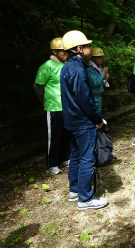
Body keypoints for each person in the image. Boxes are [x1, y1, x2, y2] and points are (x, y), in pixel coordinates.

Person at [60, 30, 108, 210]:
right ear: (79, 48)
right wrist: (98, 118)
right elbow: (85, 99)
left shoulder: (66, 67)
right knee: (87, 158)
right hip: (82, 121)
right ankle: (85, 199)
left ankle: (74, 191)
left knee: (76, 155)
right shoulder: (79, 69)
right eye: (87, 46)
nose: (89, 48)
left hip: (71, 120)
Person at [34, 37, 70, 175]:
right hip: (53, 108)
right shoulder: (47, 66)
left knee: (66, 135)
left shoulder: (66, 65)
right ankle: (51, 164)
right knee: (53, 138)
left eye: (67, 50)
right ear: (54, 51)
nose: (65, 53)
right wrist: (46, 101)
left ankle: (64, 158)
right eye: (62, 51)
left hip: (66, 107)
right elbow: (38, 86)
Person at [86, 47, 110, 113]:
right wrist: (103, 74)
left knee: (99, 114)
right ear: (92, 58)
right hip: (93, 97)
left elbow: (106, 73)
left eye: (102, 57)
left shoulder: (98, 68)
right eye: (98, 57)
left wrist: (107, 75)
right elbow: (94, 83)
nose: (101, 59)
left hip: (99, 96)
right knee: (94, 116)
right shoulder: (89, 69)